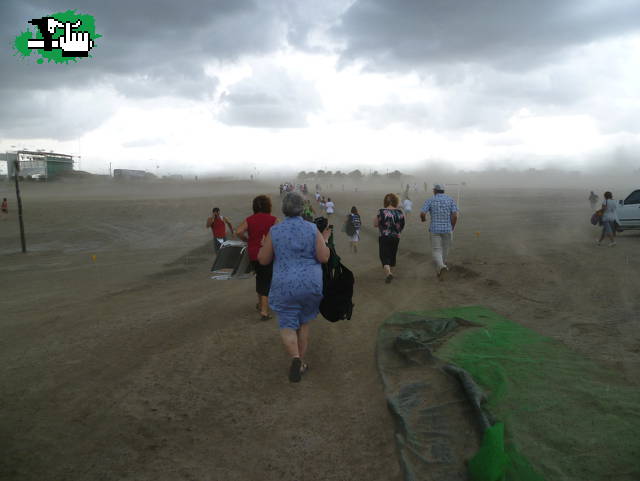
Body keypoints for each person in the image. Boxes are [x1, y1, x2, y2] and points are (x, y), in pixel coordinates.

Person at [258, 192, 331, 382]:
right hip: (310, 283)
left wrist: (262, 246)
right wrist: (326, 241)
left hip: (285, 284)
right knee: (303, 323)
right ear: (302, 208)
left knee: (288, 324)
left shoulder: (276, 231)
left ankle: (295, 358)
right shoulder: (312, 228)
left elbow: (263, 260)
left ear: (284, 209)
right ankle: (302, 362)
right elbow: (323, 257)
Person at [235, 195, 278, 320]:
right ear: (268, 206)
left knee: (260, 277)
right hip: (267, 253)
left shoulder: (250, 219)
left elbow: (238, 232)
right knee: (266, 280)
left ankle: (260, 305)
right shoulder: (273, 219)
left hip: (253, 253)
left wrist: (247, 240)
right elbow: (281, 233)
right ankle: (264, 311)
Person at [420, 183, 459, 279]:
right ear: (443, 191)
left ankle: (441, 267)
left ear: (434, 191)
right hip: (447, 229)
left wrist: (423, 219)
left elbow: (422, 213)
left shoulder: (430, 200)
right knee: (445, 249)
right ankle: (442, 267)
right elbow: (454, 216)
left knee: (436, 250)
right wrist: (452, 226)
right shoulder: (450, 200)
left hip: (434, 229)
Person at [374, 193, 405, 283]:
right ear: (395, 201)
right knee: (392, 255)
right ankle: (390, 273)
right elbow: (402, 225)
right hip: (396, 237)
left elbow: (375, 224)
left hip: (384, 236)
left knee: (384, 256)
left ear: (385, 201)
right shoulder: (400, 212)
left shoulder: (381, 211)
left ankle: (388, 273)